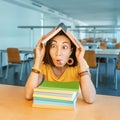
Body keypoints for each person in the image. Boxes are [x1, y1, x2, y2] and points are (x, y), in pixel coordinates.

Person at [25, 31, 96, 104]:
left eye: (64, 47)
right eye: (54, 46)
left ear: (71, 51)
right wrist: (38, 59)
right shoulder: (44, 64)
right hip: (52, 104)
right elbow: (28, 95)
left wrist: (81, 60)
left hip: (74, 104)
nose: (58, 53)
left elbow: (90, 99)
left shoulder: (80, 64)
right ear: (48, 50)